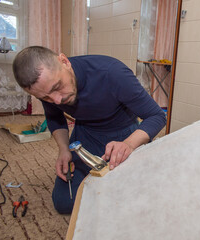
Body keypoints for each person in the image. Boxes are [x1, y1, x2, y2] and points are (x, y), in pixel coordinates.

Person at [12, 46, 166, 214]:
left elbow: (156, 116)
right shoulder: (46, 87)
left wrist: (128, 144)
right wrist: (63, 150)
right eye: (45, 97)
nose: (57, 100)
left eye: (57, 87)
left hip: (124, 135)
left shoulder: (112, 73)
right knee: (64, 202)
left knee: (142, 198)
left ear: (64, 62)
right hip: (85, 136)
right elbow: (55, 118)